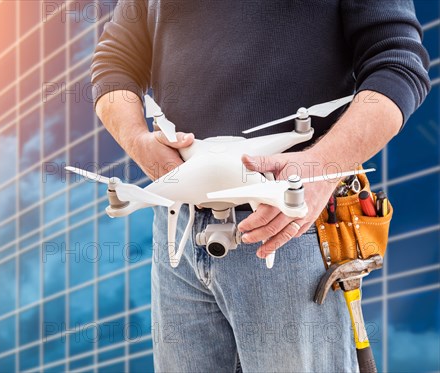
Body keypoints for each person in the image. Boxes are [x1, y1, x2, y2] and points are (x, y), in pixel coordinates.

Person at [90, 1, 430, 371]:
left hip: (290, 232)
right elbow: (114, 63)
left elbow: (398, 63)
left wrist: (321, 167)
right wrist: (139, 142)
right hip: (179, 239)